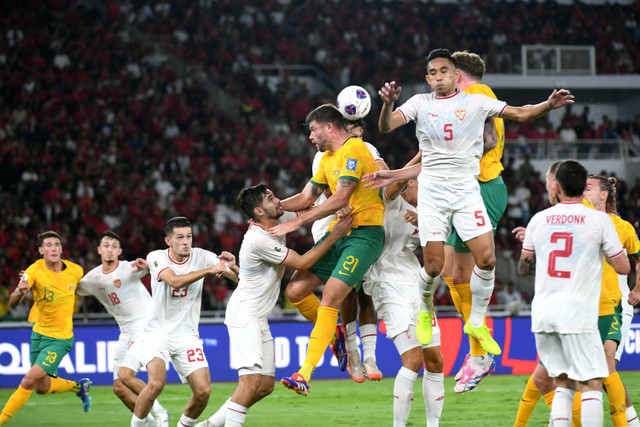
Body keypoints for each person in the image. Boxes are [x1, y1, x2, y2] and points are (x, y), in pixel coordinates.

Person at [367, 48, 574, 357]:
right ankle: (425, 310)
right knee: (435, 267)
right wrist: (387, 104)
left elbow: (520, 112)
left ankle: (476, 322)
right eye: (433, 73)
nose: (438, 77)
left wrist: (548, 104)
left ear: (455, 76)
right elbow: (385, 126)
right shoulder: (420, 104)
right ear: (428, 78)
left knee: (487, 260)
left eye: (444, 71)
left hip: (467, 193)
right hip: (434, 194)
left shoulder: (477, 101)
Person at [195, 184, 353, 427]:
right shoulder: (259, 239)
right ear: (259, 211)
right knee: (249, 384)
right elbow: (301, 263)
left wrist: (334, 207)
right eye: (270, 198)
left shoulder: (276, 219)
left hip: (259, 317)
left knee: (265, 386)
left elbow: (307, 209)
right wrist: (335, 234)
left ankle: (210, 425)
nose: (278, 200)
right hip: (244, 314)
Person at [271, 104, 386, 396]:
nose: (310, 136)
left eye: (313, 129)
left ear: (329, 127)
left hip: (365, 235)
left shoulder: (355, 150)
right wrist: (277, 207)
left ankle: (304, 373)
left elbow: (341, 197)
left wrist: (295, 224)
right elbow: (308, 196)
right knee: (295, 292)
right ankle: (334, 333)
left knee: (331, 298)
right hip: (340, 232)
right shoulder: (326, 157)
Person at [518, 160, 630, 427]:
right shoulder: (599, 220)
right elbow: (623, 266)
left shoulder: (538, 220)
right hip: (579, 313)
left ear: (556, 187)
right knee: (591, 382)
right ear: (583, 187)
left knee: (561, 381)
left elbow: (524, 268)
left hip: (545, 314)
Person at [439, 50, 508, 394]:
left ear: (459, 75)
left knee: (468, 270)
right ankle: (476, 352)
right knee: (451, 273)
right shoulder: (469, 99)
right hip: (466, 188)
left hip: (481, 186)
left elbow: (489, 141)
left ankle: (481, 353)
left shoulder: (478, 95)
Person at [129, 217, 239, 427]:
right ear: (168, 241)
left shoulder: (202, 256)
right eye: (180, 237)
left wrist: (233, 267)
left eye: (189, 236)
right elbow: (173, 280)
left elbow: (237, 278)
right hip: (157, 333)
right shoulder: (156, 257)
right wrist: (208, 270)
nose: (186, 242)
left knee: (203, 391)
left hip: (187, 335)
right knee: (155, 385)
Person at [362, 176, 445, 426]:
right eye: (422, 183)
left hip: (414, 282)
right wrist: (422, 157)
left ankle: (433, 424)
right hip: (385, 282)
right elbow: (395, 181)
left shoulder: (427, 212)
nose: (428, 190)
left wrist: (427, 223)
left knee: (435, 359)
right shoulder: (391, 201)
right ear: (409, 183)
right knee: (413, 358)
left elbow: (440, 254)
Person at [308, 117, 386, 382]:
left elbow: (382, 178)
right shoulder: (324, 156)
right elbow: (323, 190)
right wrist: (335, 201)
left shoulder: (367, 149)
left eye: (358, 131)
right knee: (344, 293)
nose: (354, 136)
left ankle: (371, 358)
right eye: (350, 131)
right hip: (334, 225)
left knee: (365, 293)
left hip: (364, 225)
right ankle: (351, 351)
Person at [76, 230, 170, 427]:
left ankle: (160, 411)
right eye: (106, 246)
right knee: (119, 387)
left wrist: (150, 267)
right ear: (99, 250)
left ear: (119, 251)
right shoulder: (93, 278)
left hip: (146, 327)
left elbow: (159, 271)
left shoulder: (129, 268)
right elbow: (70, 288)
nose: (109, 250)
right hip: (126, 332)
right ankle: (152, 424)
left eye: (114, 246)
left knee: (125, 375)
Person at [0, 231, 91, 426]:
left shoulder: (76, 271)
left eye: (57, 244)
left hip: (60, 339)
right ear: (41, 250)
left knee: (27, 381)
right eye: (49, 245)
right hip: (39, 334)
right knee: (42, 388)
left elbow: (88, 288)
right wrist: (19, 291)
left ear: (61, 249)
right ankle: (79, 387)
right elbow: (13, 302)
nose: (54, 248)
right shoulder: (33, 271)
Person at [583, 175, 640, 426]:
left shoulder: (621, 227)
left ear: (603, 194)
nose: (581, 191)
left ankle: (630, 421)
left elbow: (638, 257)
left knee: (606, 371)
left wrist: (637, 288)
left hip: (615, 305)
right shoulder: (580, 219)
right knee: (589, 372)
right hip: (586, 306)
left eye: (588, 187)